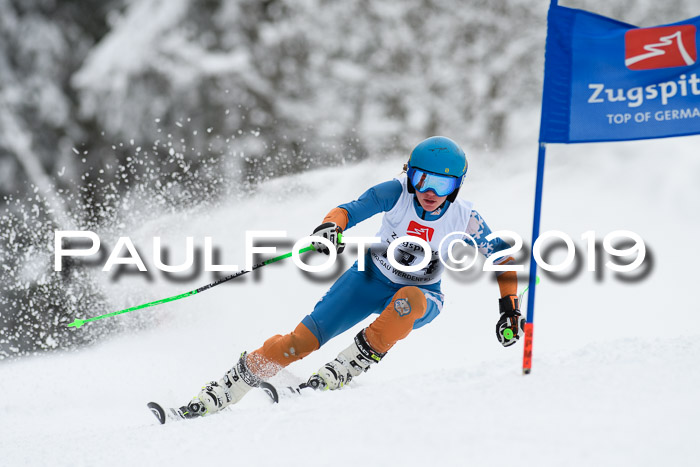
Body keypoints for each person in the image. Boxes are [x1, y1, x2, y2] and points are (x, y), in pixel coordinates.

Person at [178, 136, 524, 418]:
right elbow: (349, 210)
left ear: (457, 187)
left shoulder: (465, 218)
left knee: (410, 300)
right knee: (301, 342)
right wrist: (331, 228)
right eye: (421, 179)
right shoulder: (397, 191)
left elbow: (503, 259)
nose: (429, 191)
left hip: (421, 296)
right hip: (368, 279)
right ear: (410, 174)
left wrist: (509, 307)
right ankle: (230, 385)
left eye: (442, 184)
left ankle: (348, 365)